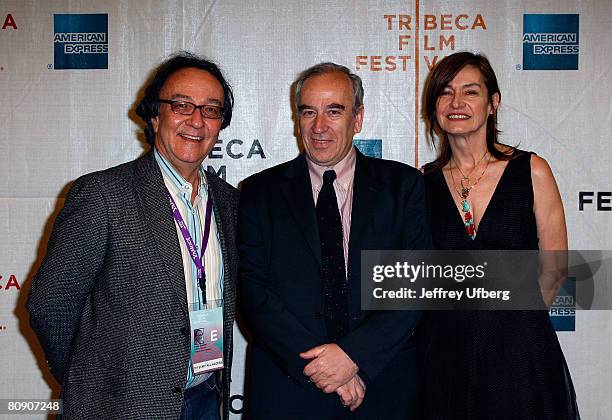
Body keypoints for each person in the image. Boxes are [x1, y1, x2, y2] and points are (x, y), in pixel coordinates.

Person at [27, 52, 239, 420]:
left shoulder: (229, 201)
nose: (196, 120)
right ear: (155, 117)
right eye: (181, 105)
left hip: (206, 396)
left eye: (211, 109)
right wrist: (88, 380)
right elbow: (51, 304)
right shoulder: (104, 194)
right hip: (121, 406)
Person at [238, 62, 431, 419]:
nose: (319, 126)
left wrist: (354, 356)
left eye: (334, 111)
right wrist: (326, 368)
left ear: (357, 119)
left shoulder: (404, 188)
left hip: (382, 387)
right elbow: (253, 293)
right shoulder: (258, 193)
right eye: (309, 111)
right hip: (288, 390)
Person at [419, 51, 579, 419]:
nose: (457, 103)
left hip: (521, 356)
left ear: (493, 104)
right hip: (446, 356)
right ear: (435, 107)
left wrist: (510, 321)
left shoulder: (531, 171)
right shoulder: (422, 183)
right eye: (445, 92)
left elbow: (554, 269)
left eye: (470, 92)